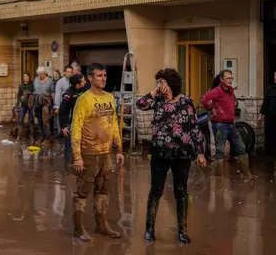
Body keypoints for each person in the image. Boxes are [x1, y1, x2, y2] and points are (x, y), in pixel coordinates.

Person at [137, 68, 206, 243]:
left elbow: (194, 127)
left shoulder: (186, 101)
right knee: (156, 190)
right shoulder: (158, 100)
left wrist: (200, 153)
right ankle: (149, 229)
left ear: (171, 83)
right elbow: (140, 104)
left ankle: (182, 231)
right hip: (160, 151)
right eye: (158, 81)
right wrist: (155, 91)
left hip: (182, 152)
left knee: (181, 191)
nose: (159, 85)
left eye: (162, 81)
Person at [71, 63, 124, 241]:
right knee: (82, 191)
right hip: (88, 153)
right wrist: (77, 156)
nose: (103, 78)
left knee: (103, 191)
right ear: (91, 78)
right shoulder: (83, 100)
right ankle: (79, 229)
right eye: (99, 76)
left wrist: (119, 149)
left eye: (105, 75)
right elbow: (76, 128)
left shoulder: (109, 97)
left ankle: (102, 226)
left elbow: (114, 123)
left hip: (106, 153)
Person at [201, 70, 254, 178]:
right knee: (220, 150)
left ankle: (247, 174)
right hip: (220, 124)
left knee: (241, 147)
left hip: (230, 124)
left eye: (231, 78)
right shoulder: (216, 91)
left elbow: (234, 102)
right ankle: (218, 177)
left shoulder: (230, 91)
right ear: (221, 79)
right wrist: (211, 108)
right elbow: (204, 99)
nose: (230, 80)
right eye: (228, 78)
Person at [59, 73, 86, 169]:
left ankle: (80, 165)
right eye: (83, 81)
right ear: (78, 84)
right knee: (69, 145)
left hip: (82, 121)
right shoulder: (68, 94)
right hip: (70, 123)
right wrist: (63, 126)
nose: (85, 82)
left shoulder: (83, 89)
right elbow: (62, 111)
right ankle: (67, 167)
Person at [259, 70, 276, 159]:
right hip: (271, 116)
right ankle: (272, 156)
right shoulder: (270, 88)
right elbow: (265, 102)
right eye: (274, 75)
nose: (275, 77)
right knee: (271, 135)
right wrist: (261, 115)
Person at [33, 67, 55, 142]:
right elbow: (34, 90)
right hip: (37, 102)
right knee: (39, 120)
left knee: (46, 120)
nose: (40, 76)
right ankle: (41, 135)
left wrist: (53, 103)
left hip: (46, 102)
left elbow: (52, 92)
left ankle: (48, 136)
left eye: (42, 74)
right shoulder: (36, 79)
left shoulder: (50, 80)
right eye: (39, 74)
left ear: (45, 73)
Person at [11, 72, 34, 138]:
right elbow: (19, 95)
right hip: (23, 104)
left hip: (30, 105)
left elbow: (35, 93)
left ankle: (31, 135)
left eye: (27, 76)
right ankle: (20, 134)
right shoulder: (21, 85)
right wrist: (17, 104)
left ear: (29, 77)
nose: (25, 77)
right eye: (24, 76)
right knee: (21, 119)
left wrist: (30, 93)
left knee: (31, 119)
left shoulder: (32, 85)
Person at [54, 65, 74, 136]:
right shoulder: (60, 82)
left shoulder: (74, 81)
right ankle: (60, 133)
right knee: (61, 120)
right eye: (68, 72)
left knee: (70, 121)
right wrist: (57, 107)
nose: (69, 73)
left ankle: (68, 135)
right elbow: (57, 95)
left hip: (72, 104)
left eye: (71, 72)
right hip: (62, 104)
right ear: (65, 72)